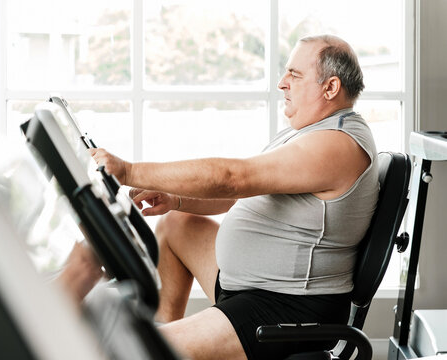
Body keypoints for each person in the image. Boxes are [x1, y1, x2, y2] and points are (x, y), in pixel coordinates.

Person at [74, 34, 378, 360]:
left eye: (295, 74)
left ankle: (154, 349)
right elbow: (242, 196)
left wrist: (129, 171)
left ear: (330, 88)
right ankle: (161, 338)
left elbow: (233, 179)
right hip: (251, 287)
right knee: (177, 226)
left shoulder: (336, 145)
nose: (282, 83)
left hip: (283, 309)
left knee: (128, 347)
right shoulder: (311, 132)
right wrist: (177, 200)